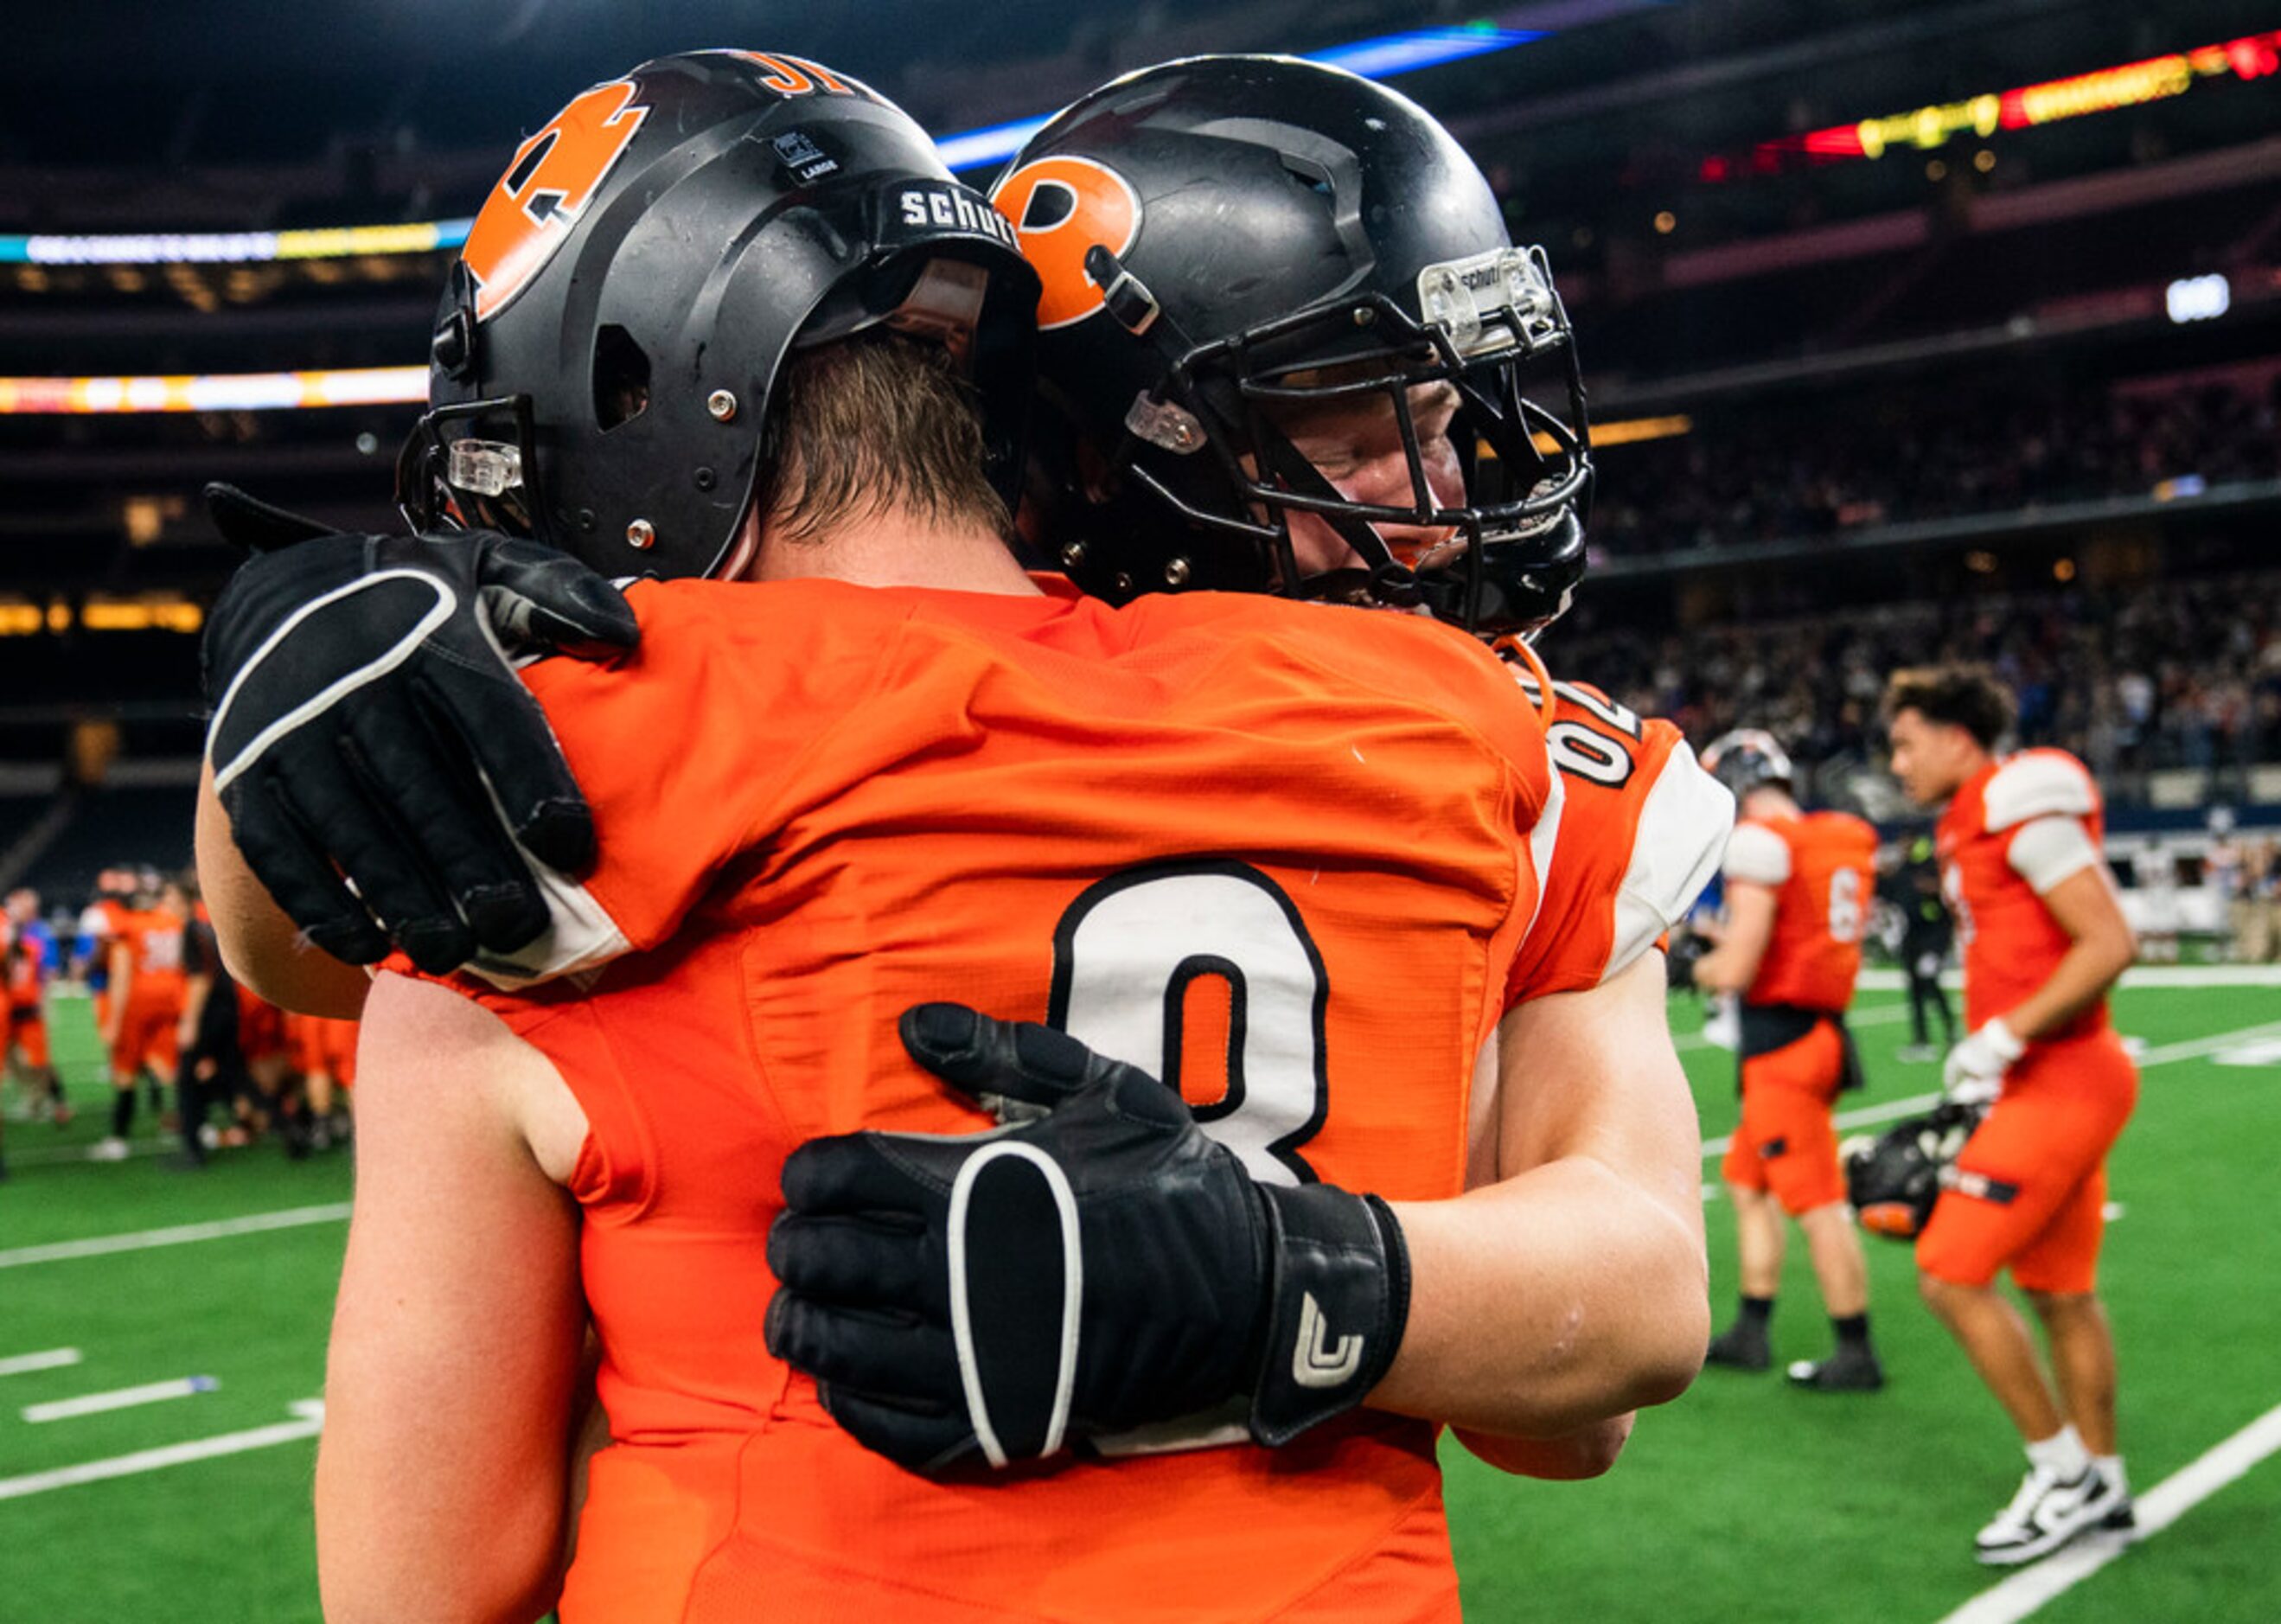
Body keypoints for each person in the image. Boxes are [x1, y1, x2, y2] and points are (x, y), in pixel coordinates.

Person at [198, 52, 1718, 1624]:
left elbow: (422, 1583)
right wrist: (1308, 1277)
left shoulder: (583, 768)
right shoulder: (1484, 734)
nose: (1440, 497)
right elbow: (1579, 1392)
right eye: (1343, 435)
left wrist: (259, 726)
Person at [1885, 664, 2138, 1565]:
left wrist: (2000, 1037)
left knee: (1949, 1271)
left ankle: (2059, 1468)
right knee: (2059, 1293)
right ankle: (2102, 1481)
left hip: (2064, 1070)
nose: (1895, 761)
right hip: (2043, 1071)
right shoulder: (1964, 820)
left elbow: (2110, 940)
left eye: (1908, 741)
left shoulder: (2009, 797)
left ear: (1959, 736)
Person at [1689, 730, 1884, 1392]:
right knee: (1747, 1181)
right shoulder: (1830, 837)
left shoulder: (1761, 844)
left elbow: (1740, 965)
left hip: (1784, 1046)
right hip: (1816, 1032)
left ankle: (1856, 1349)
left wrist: (1692, 967)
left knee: (1817, 1200)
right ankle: (1752, 1327)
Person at [91, 876, 189, 1160]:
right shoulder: (174, 923)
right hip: (171, 1000)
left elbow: (121, 977)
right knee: (170, 1069)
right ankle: (193, 1123)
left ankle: (118, 1138)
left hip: (138, 1004)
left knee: (125, 1073)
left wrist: (113, 1022)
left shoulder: (129, 926)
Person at [1886, 828, 1957, 1063]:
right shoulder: (1905, 868)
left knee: (1930, 982)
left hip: (1933, 937)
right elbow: (1895, 895)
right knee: (1915, 990)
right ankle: (1922, 1040)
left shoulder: (1932, 863)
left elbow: (1947, 899)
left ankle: (1951, 1031)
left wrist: (1935, 889)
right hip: (1913, 937)